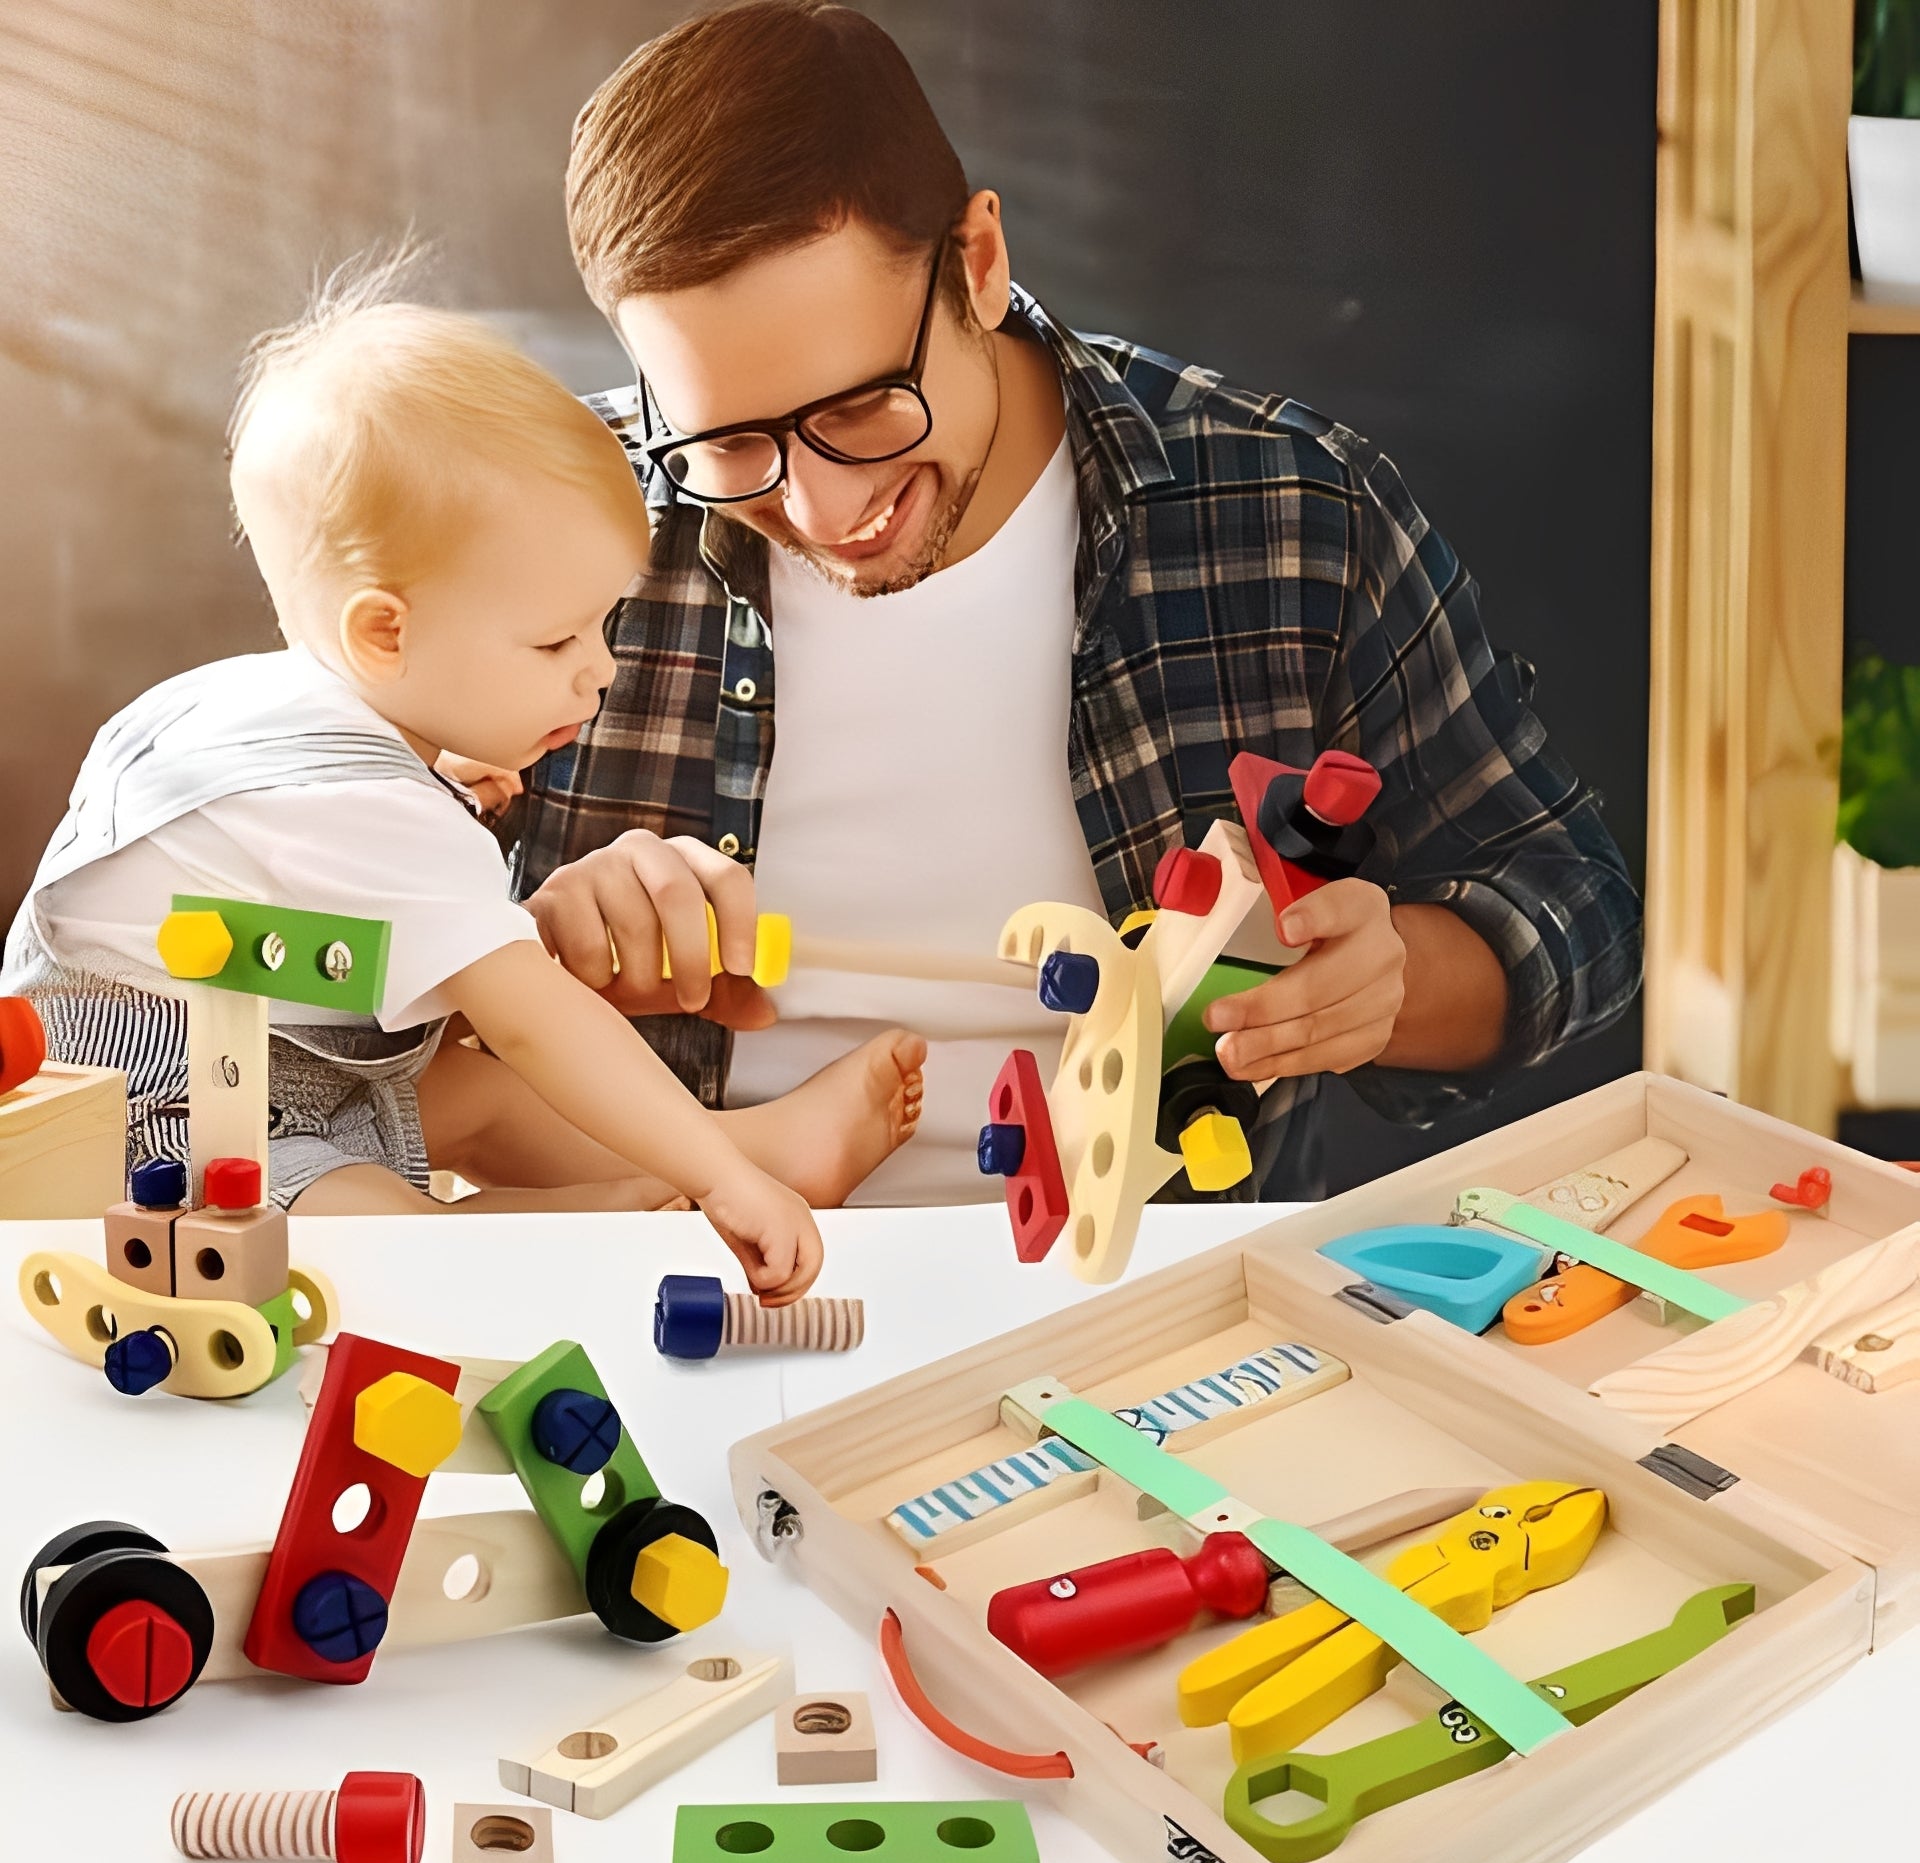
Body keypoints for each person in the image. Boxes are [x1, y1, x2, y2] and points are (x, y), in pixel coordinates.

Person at [504, 0, 1642, 1205]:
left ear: (980, 263)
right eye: (729, 443)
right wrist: (514, 946)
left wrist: (1390, 981)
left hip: (1151, 1291)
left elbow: (1579, 905)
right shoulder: (531, 525)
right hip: (667, 1266)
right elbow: (364, 989)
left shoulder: (1290, 511)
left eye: (860, 408)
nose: (821, 506)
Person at [1, 263, 928, 1299]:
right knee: (373, 1243)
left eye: (605, 625)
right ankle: (661, 1197)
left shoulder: (224, 708)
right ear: (384, 633)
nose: (600, 669)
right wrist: (721, 1184)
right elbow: (537, 1020)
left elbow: (263, 874)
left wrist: (431, 765)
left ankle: (751, 1148)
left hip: (262, 1064)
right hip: (146, 1136)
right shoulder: (378, 815)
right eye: (554, 641)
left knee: (469, 1094)